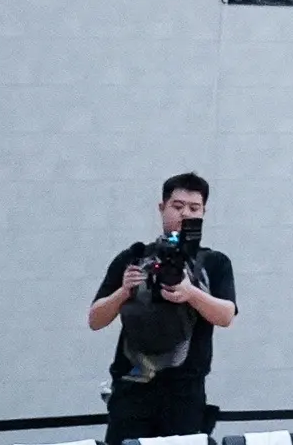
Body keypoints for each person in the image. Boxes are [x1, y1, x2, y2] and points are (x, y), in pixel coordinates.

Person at [90, 172, 237, 445]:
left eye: (194, 208)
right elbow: (95, 319)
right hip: (132, 387)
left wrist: (190, 293)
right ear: (162, 207)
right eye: (177, 206)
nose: (185, 214)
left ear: (204, 213)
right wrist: (124, 291)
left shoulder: (214, 262)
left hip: (184, 391)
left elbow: (226, 315)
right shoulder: (134, 258)